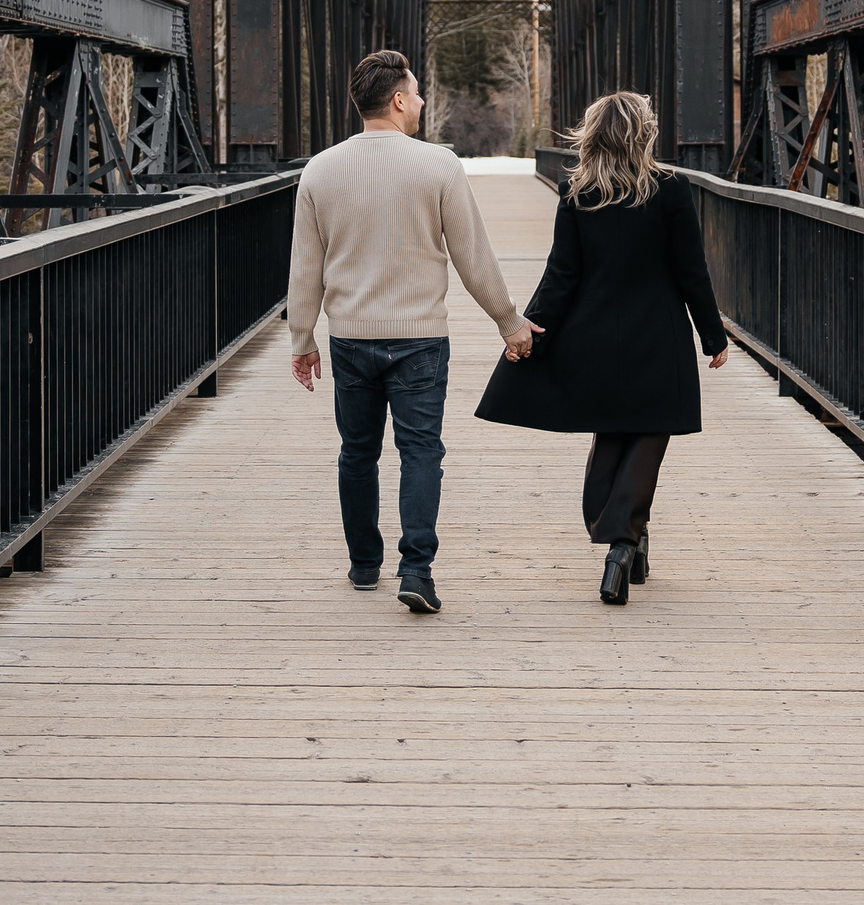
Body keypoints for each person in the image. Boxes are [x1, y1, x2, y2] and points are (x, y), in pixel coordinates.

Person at [287, 50, 532, 615]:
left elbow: (306, 265)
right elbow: (473, 256)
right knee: (421, 450)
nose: (421, 101)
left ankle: (363, 563)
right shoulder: (439, 166)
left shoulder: (320, 169)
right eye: (417, 93)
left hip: (350, 337)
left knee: (357, 452)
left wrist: (303, 338)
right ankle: (416, 569)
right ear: (398, 100)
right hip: (421, 338)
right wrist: (509, 322)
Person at [474, 91, 728, 605]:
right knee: (650, 431)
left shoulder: (576, 189)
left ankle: (627, 536)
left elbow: (562, 273)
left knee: (613, 428)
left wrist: (529, 328)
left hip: (593, 335)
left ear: (594, 136)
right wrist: (712, 334)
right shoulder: (671, 188)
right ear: (643, 133)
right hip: (658, 336)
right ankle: (621, 543)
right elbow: (690, 271)